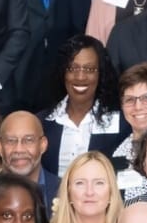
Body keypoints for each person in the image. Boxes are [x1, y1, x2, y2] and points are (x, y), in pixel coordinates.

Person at [37, 34, 123, 172]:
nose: (80, 77)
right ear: (62, 72)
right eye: (72, 68)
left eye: (89, 69)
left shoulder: (121, 123)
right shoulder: (41, 123)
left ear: (101, 73)